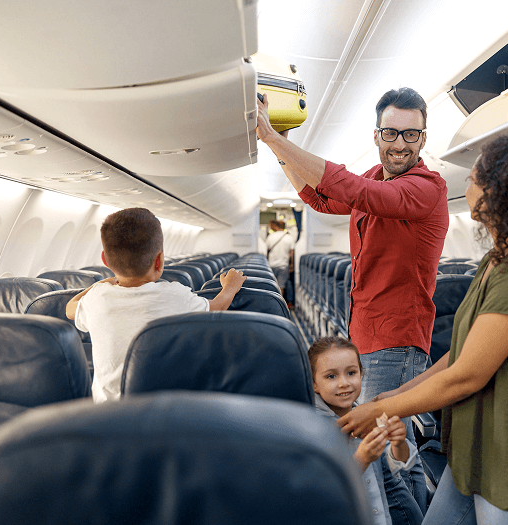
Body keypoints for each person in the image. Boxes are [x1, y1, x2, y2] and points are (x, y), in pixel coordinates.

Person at [338, 133, 508, 524]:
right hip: (475, 453)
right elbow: (464, 351)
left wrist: (379, 408)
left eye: (472, 179)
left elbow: (467, 376)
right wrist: (402, 391)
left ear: (501, 191)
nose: (464, 187)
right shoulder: (498, 260)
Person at [257, 87, 448, 514]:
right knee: (395, 451)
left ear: (423, 138)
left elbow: (354, 191)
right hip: (365, 332)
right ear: (377, 134)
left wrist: (274, 137)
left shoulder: (426, 188)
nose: (400, 143)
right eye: (391, 132)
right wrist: (278, 146)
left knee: (385, 456)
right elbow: (320, 198)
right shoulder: (377, 178)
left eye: (411, 135)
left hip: (396, 340)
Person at [66, 207, 246, 403]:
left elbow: (70, 308)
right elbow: (216, 308)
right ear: (160, 261)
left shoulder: (97, 299)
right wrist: (230, 287)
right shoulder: (176, 295)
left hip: (108, 416)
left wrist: (102, 283)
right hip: (164, 410)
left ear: (105, 260)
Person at [309, 336, 422, 525]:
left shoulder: (367, 417)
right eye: (331, 376)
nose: (344, 383)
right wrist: (361, 460)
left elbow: (402, 465)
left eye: (351, 373)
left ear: (361, 374)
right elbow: (319, 492)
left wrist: (398, 443)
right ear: (313, 383)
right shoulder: (312, 428)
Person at [265, 219, 295, 298]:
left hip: (271, 265)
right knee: (281, 286)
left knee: (271, 285)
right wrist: (292, 265)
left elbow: (266, 251)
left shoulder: (270, 236)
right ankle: (280, 304)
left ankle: (272, 303)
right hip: (283, 265)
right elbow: (291, 253)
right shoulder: (289, 237)